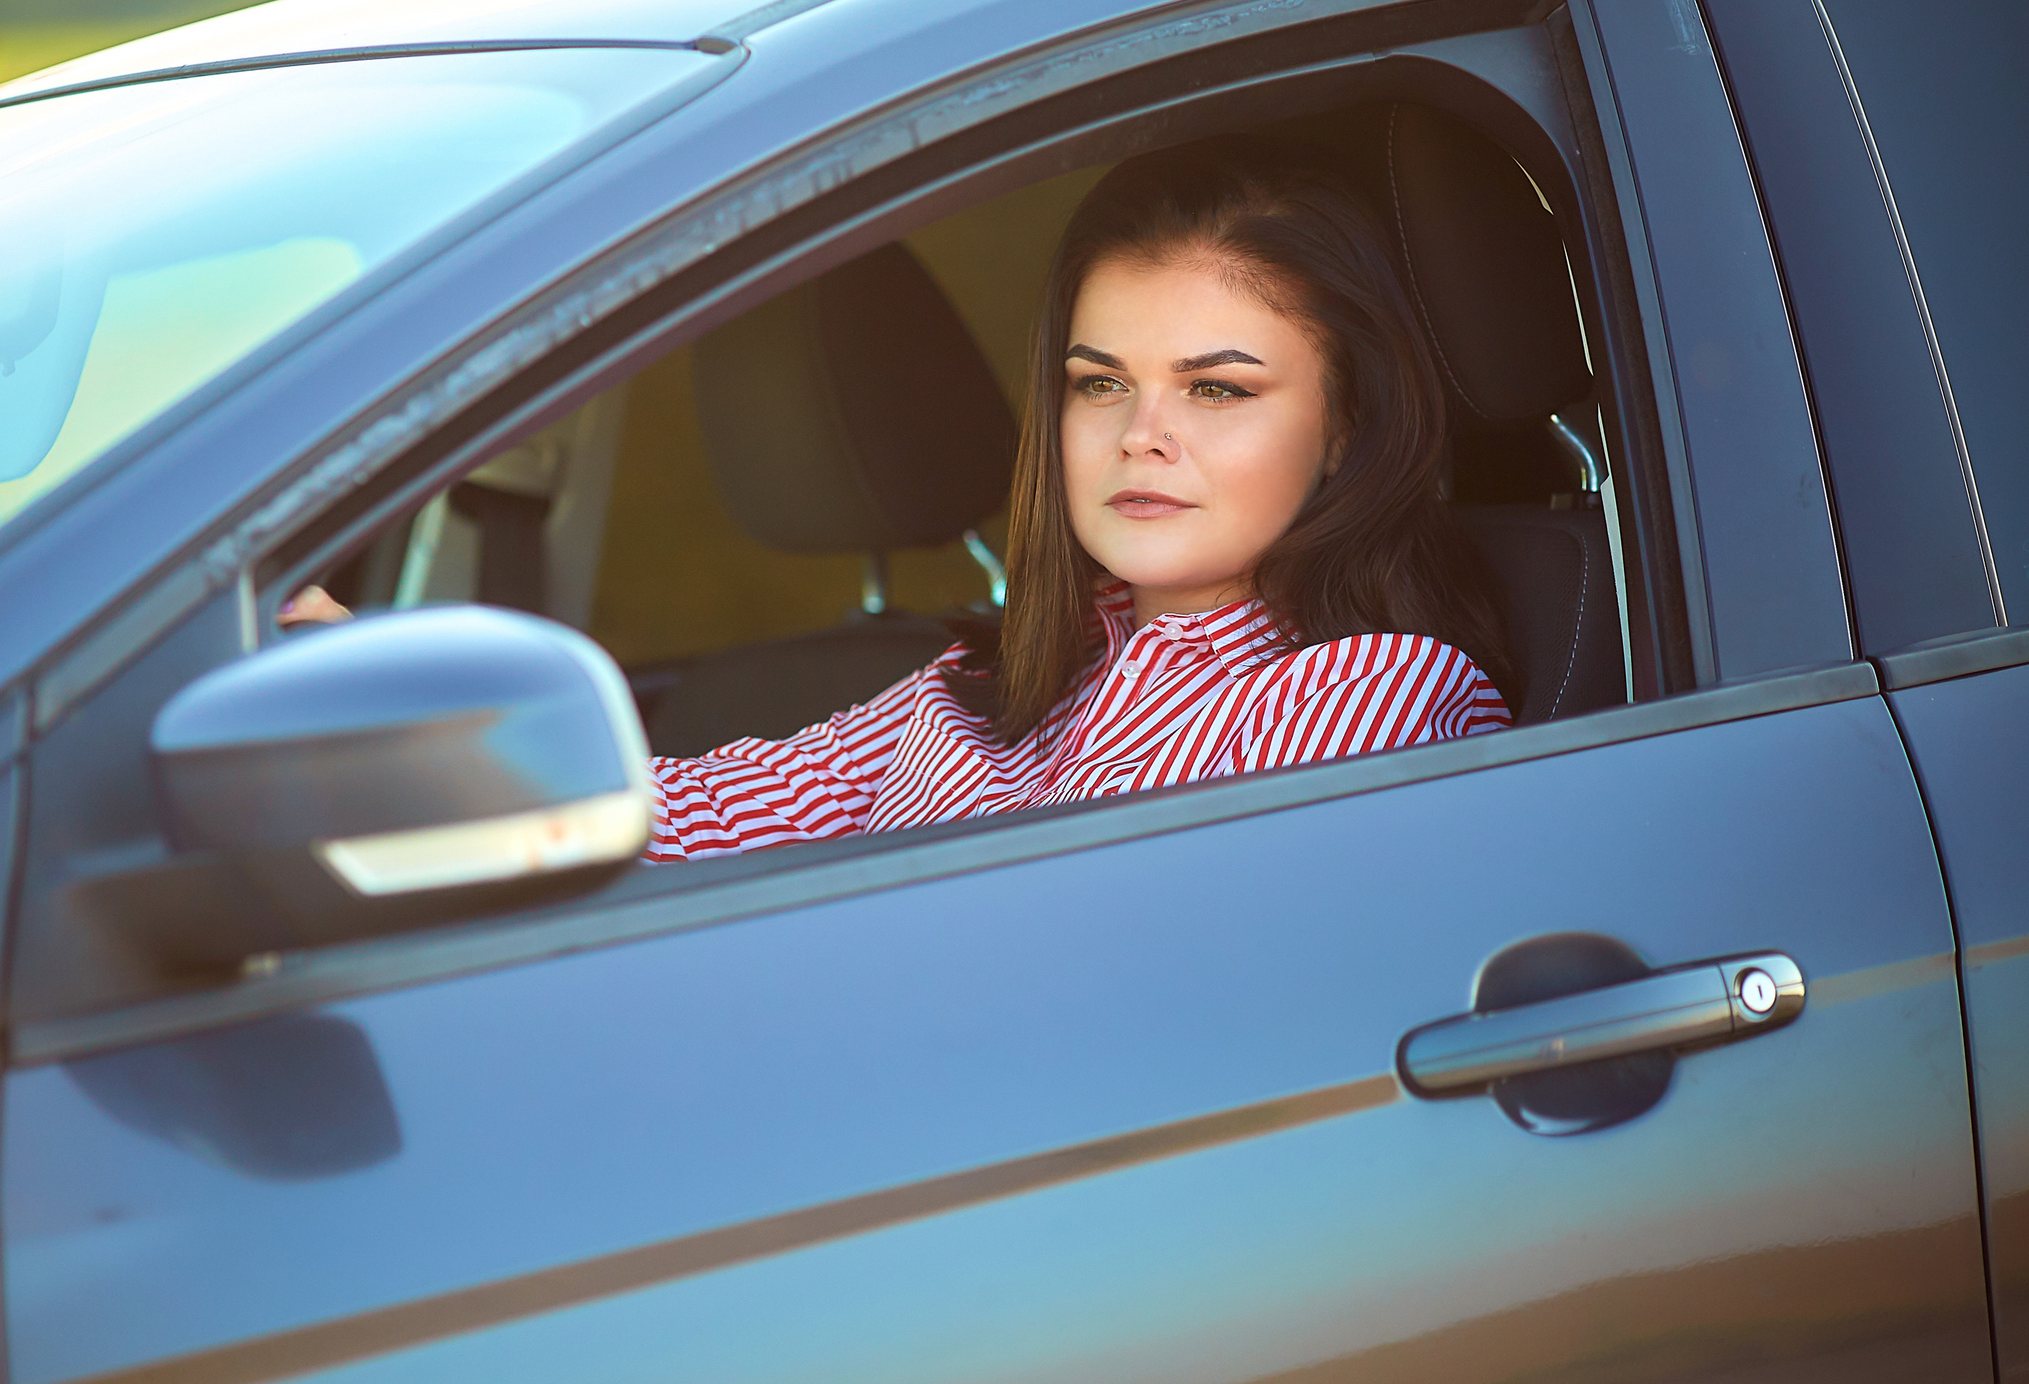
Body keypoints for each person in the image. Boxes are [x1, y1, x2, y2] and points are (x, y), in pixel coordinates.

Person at [284, 140, 1516, 862]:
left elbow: (1098, 973)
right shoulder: (986, 681)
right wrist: (396, 705)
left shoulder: (1376, 694)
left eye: (1217, 389)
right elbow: (688, 814)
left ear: (1343, 425)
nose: (1142, 437)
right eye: (1098, 386)